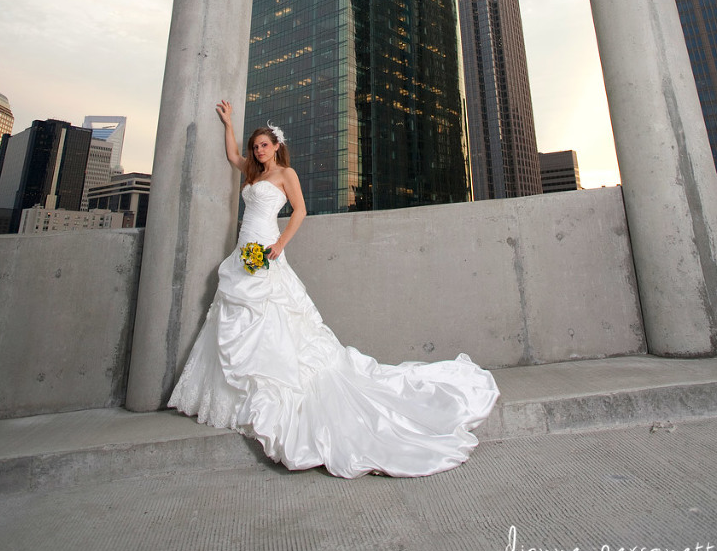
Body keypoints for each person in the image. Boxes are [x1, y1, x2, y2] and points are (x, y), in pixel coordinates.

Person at [168, 100, 500, 479]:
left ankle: (279, 382)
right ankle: (238, 392)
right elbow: (230, 154)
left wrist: (279, 246)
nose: (258, 151)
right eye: (255, 146)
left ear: (276, 146)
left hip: (267, 247)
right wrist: (228, 122)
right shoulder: (250, 173)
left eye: (264, 145)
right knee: (236, 314)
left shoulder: (285, 174)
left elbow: (300, 211)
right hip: (244, 250)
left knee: (275, 316)